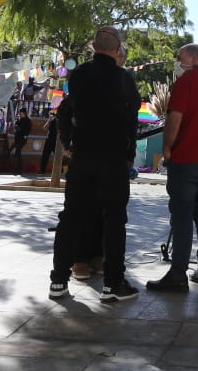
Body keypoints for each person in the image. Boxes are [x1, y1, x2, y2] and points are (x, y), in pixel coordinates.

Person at [49, 26, 141, 303]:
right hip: (112, 158)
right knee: (114, 219)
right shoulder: (124, 79)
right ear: (116, 50)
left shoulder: (78, 76)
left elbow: (64, 112)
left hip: (83, 157)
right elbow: (131, 120)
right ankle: (113, 284)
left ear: (93, 48)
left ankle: (58, 281)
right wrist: (129, 155)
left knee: (70, 217)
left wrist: (68, 144)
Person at [148, 43, 198, 292]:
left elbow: (174, 117)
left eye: (181, 58)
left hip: (186, 158)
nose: (179, 63)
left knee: (181, 217)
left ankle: (178, 273)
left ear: (193, 58)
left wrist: (168, 148)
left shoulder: (186, 81)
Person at [10, 107, 32, 175]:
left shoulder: (28, 120)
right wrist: (17, 126)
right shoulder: (19, 119)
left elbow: (28, 130)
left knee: (18, 152)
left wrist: (24, 133)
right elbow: (16, 125)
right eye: (20, 113)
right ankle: (17, 168)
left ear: (24, 113)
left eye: (21, 113)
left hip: (22, 138)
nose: (20, 114)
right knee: (14, 151)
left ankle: (19, 169)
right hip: (17, 138)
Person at [37, 109, 58, 176]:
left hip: (55, 141)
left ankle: (60, 170)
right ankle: (42, 170)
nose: (49, 115)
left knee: (57, 156)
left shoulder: (57, 121)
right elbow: (44, 128)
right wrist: (48, 120)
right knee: (45, 156)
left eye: (50, 114)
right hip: (49, 140)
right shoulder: (51, 121)